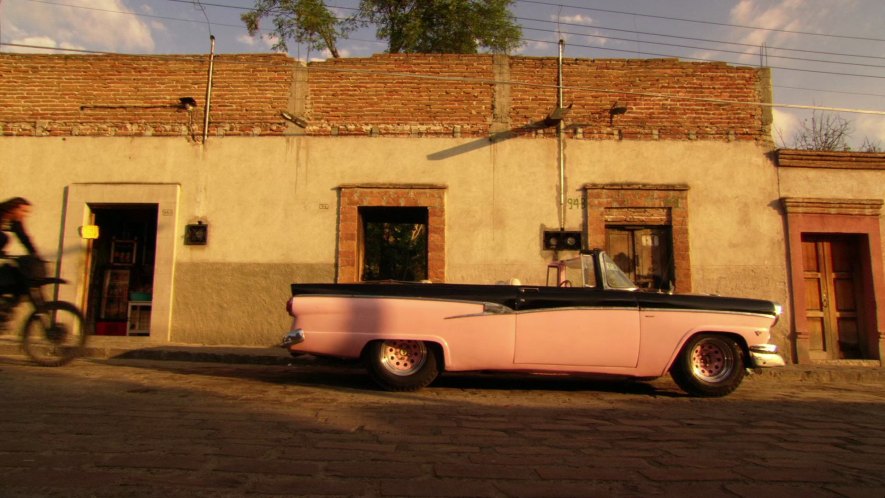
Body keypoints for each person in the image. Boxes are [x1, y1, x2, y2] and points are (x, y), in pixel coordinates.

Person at [0, 197, 38, 300]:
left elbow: (24, 237)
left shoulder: (15, 222)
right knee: (4, 237)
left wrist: (34, 254)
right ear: (14, 209)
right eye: (23, 211)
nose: (25, 215)